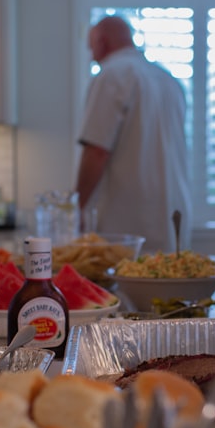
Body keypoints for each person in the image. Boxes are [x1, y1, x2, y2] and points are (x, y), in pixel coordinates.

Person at [75, 15, 193, 252]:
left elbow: (97, 150)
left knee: (126, 285)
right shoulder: (168, 80)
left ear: (102, 42)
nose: (92, 57)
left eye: (91, 49)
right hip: (176, 214)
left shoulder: (111, 75)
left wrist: (76, 208)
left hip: (130, 223)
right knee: (171, 284)